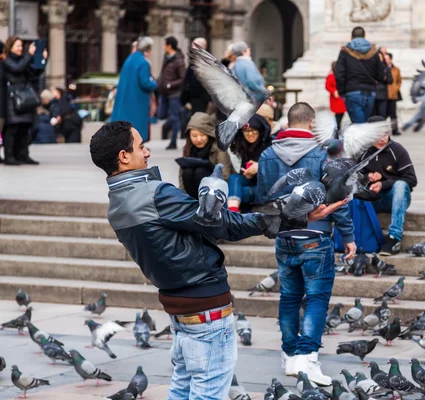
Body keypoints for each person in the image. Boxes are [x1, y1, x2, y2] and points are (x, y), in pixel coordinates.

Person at [90, 121, 343, 400]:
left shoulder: (117, 204)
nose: (148, 152)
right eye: (141, 146)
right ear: (124, 156)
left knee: (183, 390)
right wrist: (298, 215)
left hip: (178, 306)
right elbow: (226, 225)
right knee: (208, 394)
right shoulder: (156, 195)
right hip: (205, 308)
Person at [257, 102, 356, 386]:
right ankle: (306, 357)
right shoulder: (322, 154)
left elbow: (264, 196)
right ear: (311, 124)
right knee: (316, 298)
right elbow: (338, 199)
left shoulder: (266, 154)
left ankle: (289, 355)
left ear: (288, 123)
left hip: (284, 236)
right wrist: (348, 236)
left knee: (289, 297)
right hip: (316, 235)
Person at [360, 116, 417, 255]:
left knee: (400, 185)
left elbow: (411, 179)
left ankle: (394, 237)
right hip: (371, 200)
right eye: (377, 135)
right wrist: (367, 178)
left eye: (385, 134)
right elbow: (350, 179)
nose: (382, 139)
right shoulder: (361, 151)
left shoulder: (397, 150)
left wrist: (383, 184)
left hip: (395, 198)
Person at [3, 36, 47, 165]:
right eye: (17, 46)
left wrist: (43, 59)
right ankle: (9, 156)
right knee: (13, 129)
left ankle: (23, 155)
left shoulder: (24, 59)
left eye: (21, 46)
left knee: (24, 128)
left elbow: (34, 73)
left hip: (25, 97)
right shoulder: (7, 60)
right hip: (14, 98)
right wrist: (29, 55)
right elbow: (17, 68)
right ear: (10, 47)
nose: (20, 48)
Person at [334, 26, 386, 123]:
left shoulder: (345, 52)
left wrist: (341, 92)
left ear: (351, 37)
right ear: (364, 36)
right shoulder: (373, 52)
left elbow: (339, 74)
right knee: (365, 123)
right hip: (370, 92)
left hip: (352, 92)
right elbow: (380, 73)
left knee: (359, 126)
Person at [110, 36, 157, 142]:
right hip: (137, 99)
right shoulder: (144, 62)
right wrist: (155, 84)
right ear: (148, 49)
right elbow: (145, 82)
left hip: (126, 98)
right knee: (137, 123)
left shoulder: (129, 59)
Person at [179, 112, 232, 199]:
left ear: (208, 133)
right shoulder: (188, 148)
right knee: (187, 171)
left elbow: (225, 174)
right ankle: (192, 202)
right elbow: (181, 175)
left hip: (214, 190)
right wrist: (181, 196)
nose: (199, 139)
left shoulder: (218, 148)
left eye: (202, 135)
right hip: (193, 191)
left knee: (200, 171)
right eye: (194, 136)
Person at [227, 114, 272, 212]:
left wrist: (259, 167)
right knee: (234, 178)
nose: (250, 134)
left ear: (260, 130)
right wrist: (248, 173)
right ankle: (233, 211)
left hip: (266, 186)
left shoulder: (270, 144)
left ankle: (233, 211)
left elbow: (276, 168)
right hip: (250, 181)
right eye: (246, 131)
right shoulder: (243, 145)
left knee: (240, 192)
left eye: (253, 130)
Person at [158, 36, 186, 150]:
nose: (163, 47)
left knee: (174, 118)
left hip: (174, 93)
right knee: (161, 114)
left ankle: (173, 141)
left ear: (169, 45)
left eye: (165, 44)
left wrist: (170, 84)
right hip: (164, 93)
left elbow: (182, 78)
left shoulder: (179, 60)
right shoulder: (166, 58)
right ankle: (178, 117)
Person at [180, 38, 212, 125]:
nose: (192, 48)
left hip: (200, 98)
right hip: (193, 98)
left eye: (194, 45)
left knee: (198, 122)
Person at [325, 61, 346, 131]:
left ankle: (337, 127)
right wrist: (334, 90)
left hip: (342, 97)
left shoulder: (342, 76)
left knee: (340, 114)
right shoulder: (331, 76)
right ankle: (337, 127)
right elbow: (328, 86)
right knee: (338, 115)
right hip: (336, 98)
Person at [372, 48, 392, 120]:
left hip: (382, 95)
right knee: (373, 115)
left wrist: (385, 78)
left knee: (382, 114)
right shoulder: (371, 68)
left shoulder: (385, 68)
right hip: (373, 94)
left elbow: (390, 80)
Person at [385, 53, 402, 136]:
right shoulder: (382, 68)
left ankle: (394, 129)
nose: (386, 60)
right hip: (384, 94)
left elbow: (399, 80)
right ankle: (383, 130)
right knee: (383, 113)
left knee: (393, 113)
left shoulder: (396, 69)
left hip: (393, 94)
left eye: (388, 58)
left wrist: (396, 88)